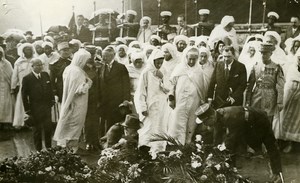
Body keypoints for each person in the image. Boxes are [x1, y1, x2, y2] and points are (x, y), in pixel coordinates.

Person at [196, 104, 283, 183]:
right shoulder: (217, 115)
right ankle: (232, 170)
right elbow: (217, 137)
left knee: (270, 145)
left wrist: (219, 152)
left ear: (211, 117)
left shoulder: (230, 117)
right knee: (242, 145)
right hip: (246, 124)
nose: (205, 125)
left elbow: (231, 140)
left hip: (259, 120)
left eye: (205, 122)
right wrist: (214, 152)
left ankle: (278, 174)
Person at [53, 49, 92, 152]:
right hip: (77, 103)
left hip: (69, 101)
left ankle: (67, 147)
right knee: (75, 124)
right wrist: (88, 84)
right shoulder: (77, 72)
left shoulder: (69, 68)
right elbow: (79, 90)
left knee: (69, 123)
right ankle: (72, 149)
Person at [168, 47, 207, 145]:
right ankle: (176, 143)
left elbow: (201, 88)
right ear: (186, 57)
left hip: (194, 100)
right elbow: (172, 85)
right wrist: (171, 98)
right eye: (190, 58)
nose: (192, 61)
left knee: (191, 121)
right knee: (178, 119)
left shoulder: (199, 71)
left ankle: (188, 141)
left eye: (194, 59)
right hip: (180, 99)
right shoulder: (179, 68)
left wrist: (202, 101)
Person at [135, 49, 168, 155]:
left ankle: (159, 153)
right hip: (149, 108)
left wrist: (162, 79)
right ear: (152, 61)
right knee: (148, 130)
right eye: (157, 62)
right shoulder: (146, 72)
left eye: (161, 62)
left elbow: (168, 89)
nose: (159, 64)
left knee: (160, 129)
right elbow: (140, 92)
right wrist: (142, 108)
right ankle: (145, 153)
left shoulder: (164, 71)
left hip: (162, 107)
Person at [246, 43, 285, 122]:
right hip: (256, 96)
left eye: (266, 53)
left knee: (267, 120)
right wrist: (248, 100)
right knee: (255, 119)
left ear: (270, 53)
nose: (263, 55)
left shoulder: (276, 67)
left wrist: (280, 102)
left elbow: (280, 85)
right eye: (261, 53)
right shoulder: (256, 66)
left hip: (270, 97)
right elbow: (250, 85)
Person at [22, 58, 54, 151]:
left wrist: (52, 100)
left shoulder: (45, 75)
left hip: (47, 107)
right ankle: (38, 151)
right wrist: (27, 110)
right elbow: (24, 95)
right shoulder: (27, 78)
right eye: (38, 65)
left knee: (48, 128)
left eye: (41, 65)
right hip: (35, 109)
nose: (40, 67)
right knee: (37, 131)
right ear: (32, 67)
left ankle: (49, 148)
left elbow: (50, 88)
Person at [98, 46, 130, 137]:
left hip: (117, 100)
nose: (104, 58)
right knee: (104, 122)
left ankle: (114, 141)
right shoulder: (101, 67)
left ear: (113, 56)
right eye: (103, 56)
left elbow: (126, 84)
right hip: (105, 101)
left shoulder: (121, 67)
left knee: (115, 122)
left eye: (106, 56)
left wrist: (125, 99)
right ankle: (104, 140)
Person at [11, 43, 35, 128]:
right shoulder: (19, 62)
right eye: (26, 49)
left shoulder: (35, 60)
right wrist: (13, 87)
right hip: (23, 86)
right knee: (22, 103)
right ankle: (21, 123)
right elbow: (15, 75)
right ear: (23, 51)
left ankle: (33, 123)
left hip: (34, 87)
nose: (28, 51)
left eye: (29, 49)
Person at [280, 52, 300, 153]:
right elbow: (286, 81)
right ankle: (286, 142)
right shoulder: (291, 67)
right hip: (290, 95)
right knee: (286, 118)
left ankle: (295, 143)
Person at [84, 46, 101, 151]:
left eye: (93, 54)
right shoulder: (82, 67)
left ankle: (95, 141)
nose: (91, 56)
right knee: (87, 121)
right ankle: (88, 141)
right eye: (89, 54)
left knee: (95, 120)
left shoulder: (98, 67)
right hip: (86, 98)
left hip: (97, 98)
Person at [0, 47, 14, 125]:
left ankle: (6, 121)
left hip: (5, 85)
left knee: (6, 104)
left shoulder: (6, 63)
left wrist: (12, 87)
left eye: (0, 53)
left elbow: (11, 75)